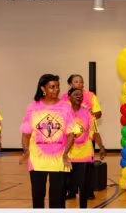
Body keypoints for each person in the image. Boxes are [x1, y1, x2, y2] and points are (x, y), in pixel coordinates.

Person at [22, 73, 81, 208]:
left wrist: (65, 153)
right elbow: (26, 133)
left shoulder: (65, 107)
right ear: (43, 88)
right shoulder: (33, 107)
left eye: (58, 87)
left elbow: (71, 134)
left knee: (58, 197)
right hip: (37, 159)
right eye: (52, 87)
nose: (56, 90)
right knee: (37, 195)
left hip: (59, 159)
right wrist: (26, 150)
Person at [66, 86, 102, 207]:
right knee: (63, 186)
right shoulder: (63, 113)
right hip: (66, 156)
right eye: (75, 94)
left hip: (84, 156)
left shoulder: (88, 113)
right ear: (69, 97)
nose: (78, 96)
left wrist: (101, 146)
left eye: (80, 95)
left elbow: (95, 132)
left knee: (83, 186)